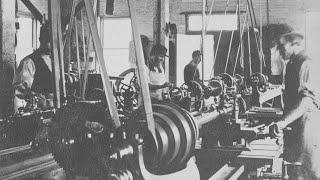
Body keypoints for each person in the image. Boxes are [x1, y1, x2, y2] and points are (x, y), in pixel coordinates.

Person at [271, 32, 320, 179]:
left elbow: (306, 102)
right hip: (295, 124)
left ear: (295, 45)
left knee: (309, 169)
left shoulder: (306, 63)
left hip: (307, 123)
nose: (280, 51)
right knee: (294, 169)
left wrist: (283, 122)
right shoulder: (292, 64)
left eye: (282, 46)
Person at [14, 22, 54, 110]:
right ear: (41, 40)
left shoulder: (54, 61)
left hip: (54, 109)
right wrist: (38, 98)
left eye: (54, 42)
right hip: (37, 111)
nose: (52, 46)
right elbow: (20, 89)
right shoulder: (29, 62)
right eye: (49, 42)